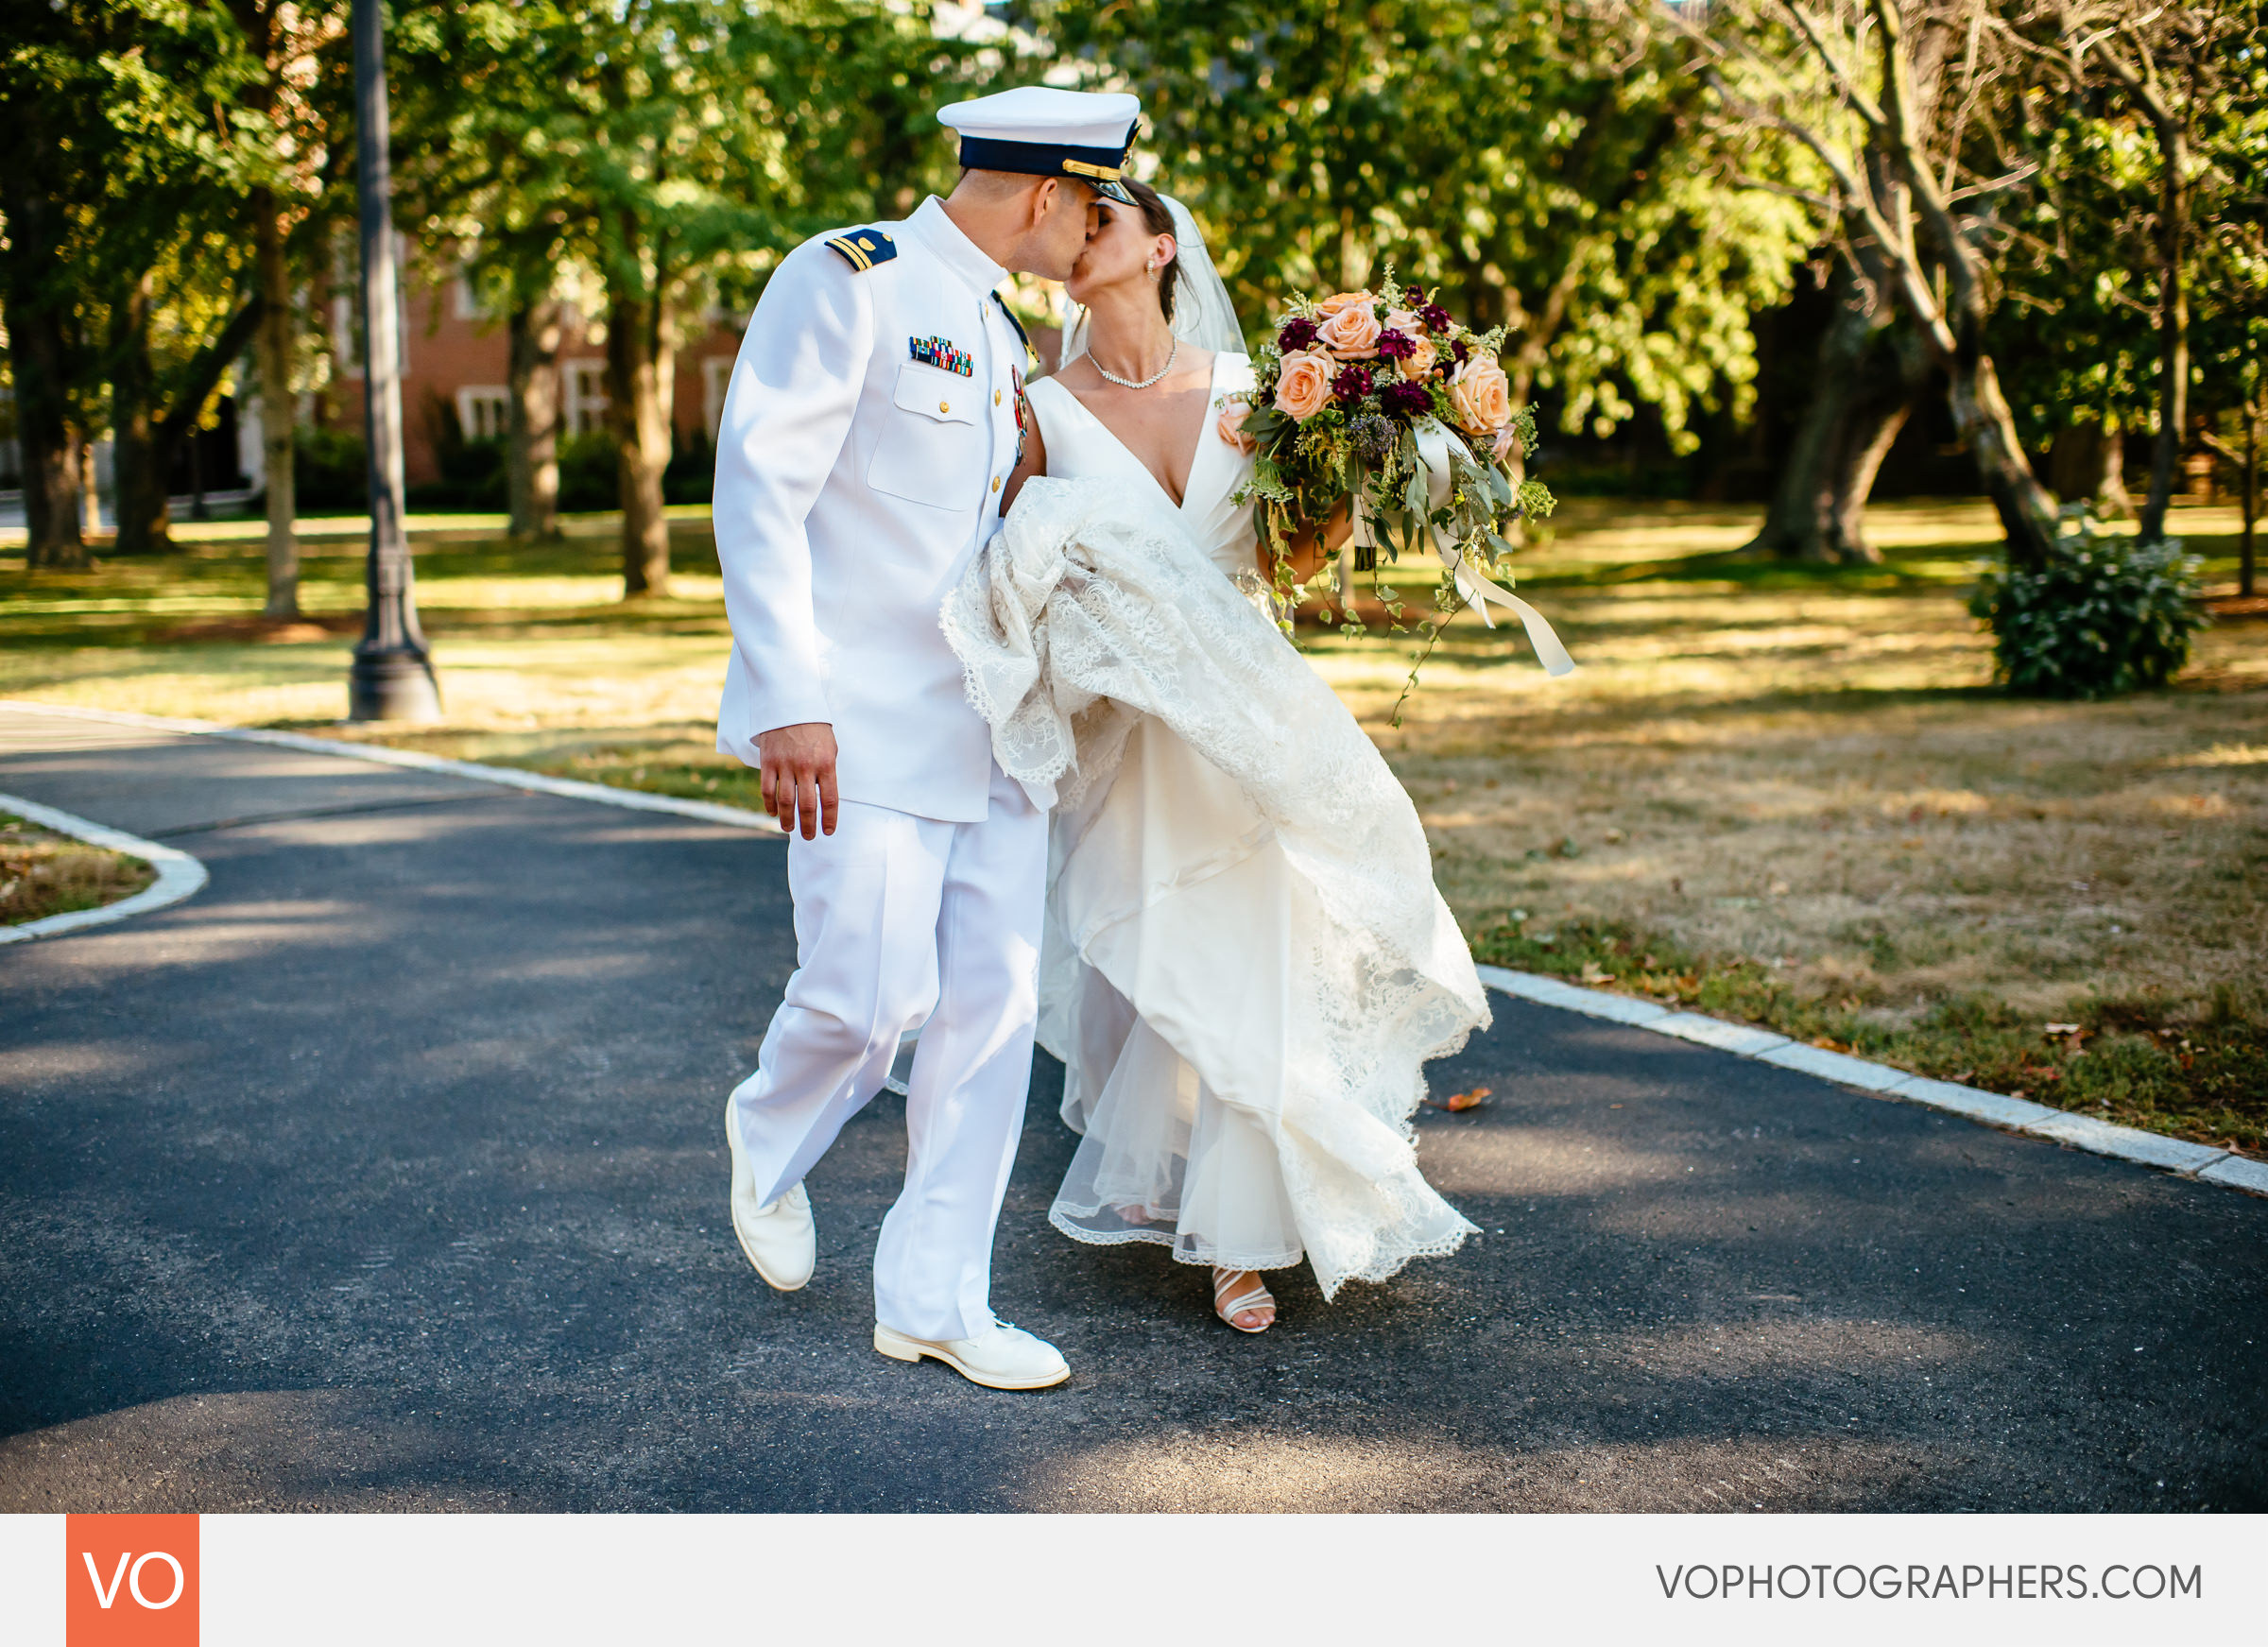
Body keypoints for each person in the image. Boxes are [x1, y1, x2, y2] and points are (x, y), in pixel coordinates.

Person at [969, 181, 1489, 1335]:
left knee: (1251, 960)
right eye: (1074, 222)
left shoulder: (1257, 397)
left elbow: (1292, 558)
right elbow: (1009, 572)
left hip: (1249, 721)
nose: (1079, 229)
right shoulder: (1042, 410)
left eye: (1106, 217)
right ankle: (1179, 1186)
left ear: (1164, 248)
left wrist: (1361, 477)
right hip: (1136, 741)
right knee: (1162, 965)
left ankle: (1241, 1238)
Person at [709, 86, 1146, 1392]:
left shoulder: (999, 330)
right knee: (866, 1001)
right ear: (1045, 193)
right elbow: (759, 487)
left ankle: (938, 1299)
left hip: (995, 728)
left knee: (989, 1017)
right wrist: (787, 697)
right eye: (1093, 201)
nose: (1098, 227)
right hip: (858, 725)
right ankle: (768, 1123)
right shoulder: (850, 280)